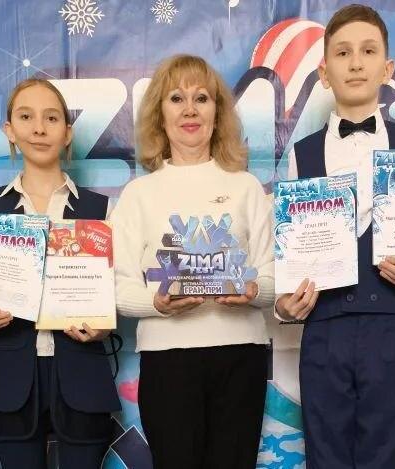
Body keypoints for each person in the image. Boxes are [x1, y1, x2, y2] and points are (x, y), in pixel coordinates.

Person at [274, 4, 395, 467]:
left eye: (368, 51)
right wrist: (285, 302)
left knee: (385, 454)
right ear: (324, 72)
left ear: (387, 69)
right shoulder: (302, 154)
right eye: (343, 52)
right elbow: (291, 247)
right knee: (325, 454)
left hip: (390, 327)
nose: (355, 63)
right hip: (323, 329)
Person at [111, 54, 274, 469]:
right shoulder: (138, 194)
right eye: (176, 98)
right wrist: (156, 303)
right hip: (168, 359)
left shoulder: (247, 187)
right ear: (159, 114)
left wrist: (253, 290)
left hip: (241, 355)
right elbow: (118, 287)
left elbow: (273, 277)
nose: (189, 109)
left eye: (201, 98)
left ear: (217, 114)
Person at [0, 78, 120, 469]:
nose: (39, 128)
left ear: (67, 133)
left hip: (81, 369)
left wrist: (103, 324)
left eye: (51, 118)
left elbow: (113, 291)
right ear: (10, 130)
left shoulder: (99, 210)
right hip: (12, 372)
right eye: (26, 117)